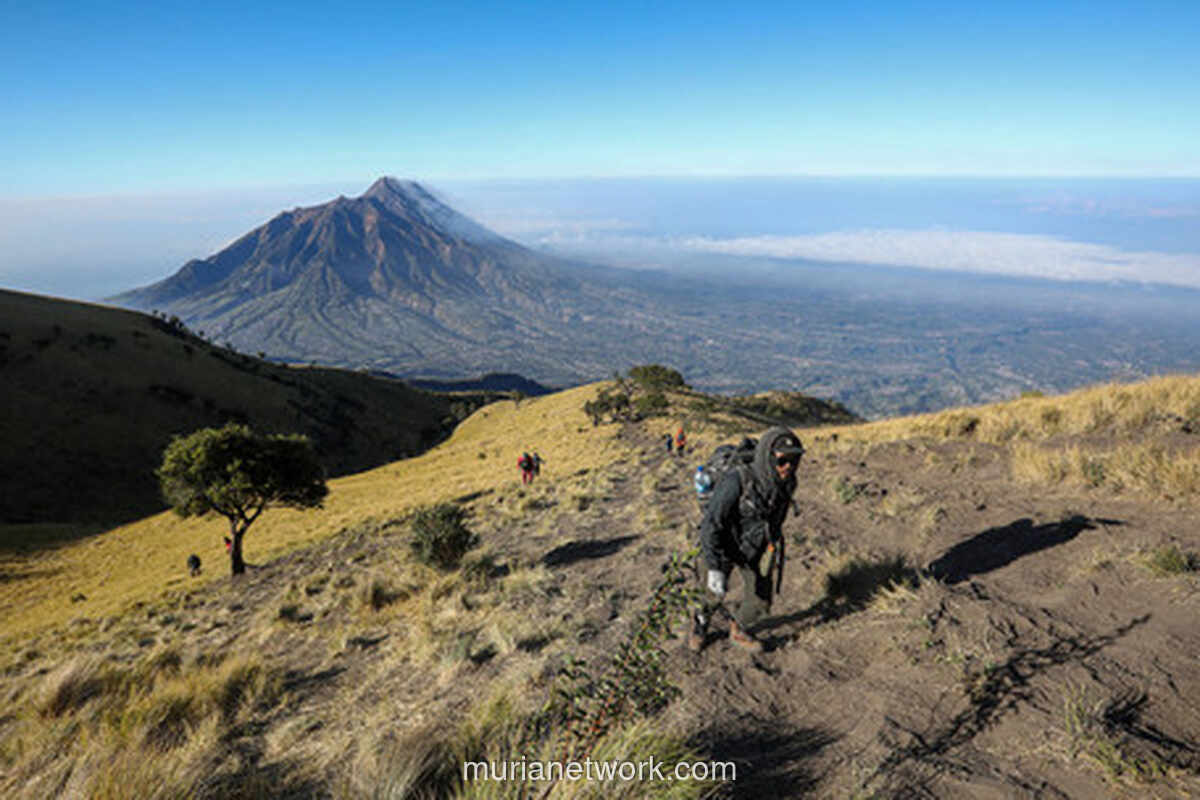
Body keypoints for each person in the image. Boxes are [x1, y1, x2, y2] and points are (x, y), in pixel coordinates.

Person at [690, 426, 804, 654]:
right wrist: (714, 566)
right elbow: (711, 524)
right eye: (782, 461)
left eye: (794, 460)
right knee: (710, 595)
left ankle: (739, 627)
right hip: (722, 544)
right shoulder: (737, 480)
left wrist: (770, 545)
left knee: (760, 601)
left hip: (757, 546)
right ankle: (701, 624)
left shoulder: (787, 483)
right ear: (768, 457)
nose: (788, 467)